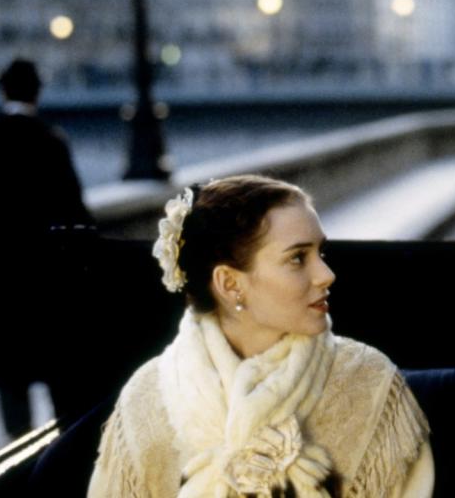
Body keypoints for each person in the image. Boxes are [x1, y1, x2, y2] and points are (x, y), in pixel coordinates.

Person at [88, 174, 434, 497]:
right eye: (298, 258)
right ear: (230, 284)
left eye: (321, 252)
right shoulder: (146, 399)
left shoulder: (369, 382)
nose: (326, 274)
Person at [0, 57, 92, 438]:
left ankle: (19, 450)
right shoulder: (51, 141)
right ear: (37, 91)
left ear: (2, 90)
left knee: (10, 376)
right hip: (47, 282)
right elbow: (77, 215)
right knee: (60, 369)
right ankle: (63, 450)